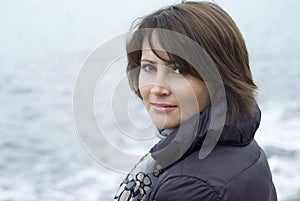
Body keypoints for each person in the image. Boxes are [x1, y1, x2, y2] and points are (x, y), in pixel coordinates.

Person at [114, 1, 277, 201]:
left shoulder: (189, 187)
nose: (157, 88)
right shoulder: (242, 141)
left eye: (179, 70)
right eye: (149, 68)